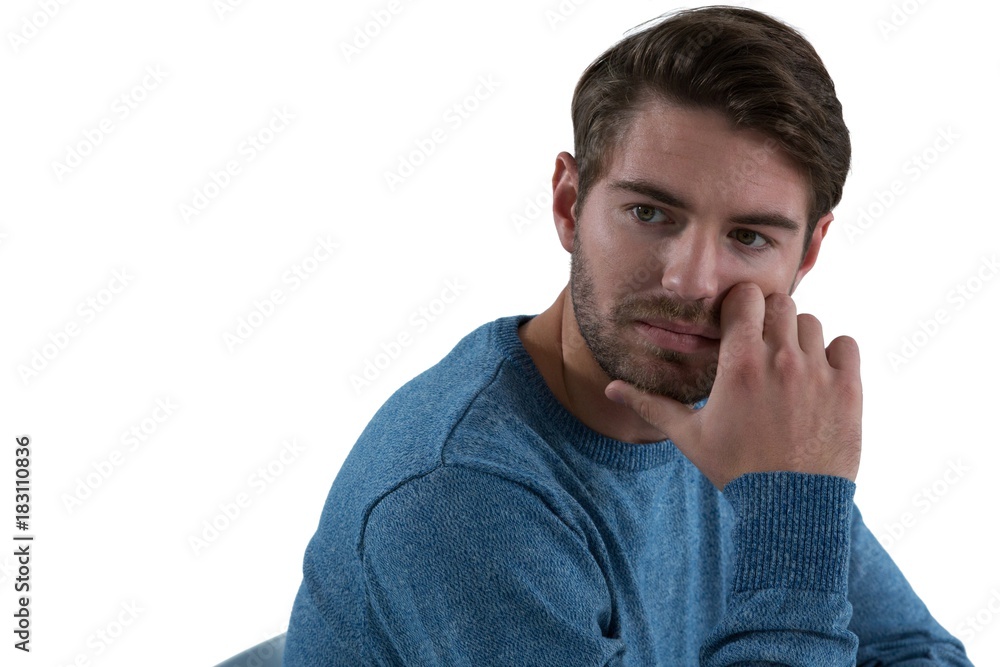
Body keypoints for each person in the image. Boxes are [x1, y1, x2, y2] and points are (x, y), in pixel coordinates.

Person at [282, 6, 973, 665]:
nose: (690, 280)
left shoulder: (743, 420)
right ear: (569, 203)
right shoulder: (465, 494)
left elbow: (921, 652)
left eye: (750, 236)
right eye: (650, 212)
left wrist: (790, 504)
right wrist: (790, 511)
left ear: (808, 254)